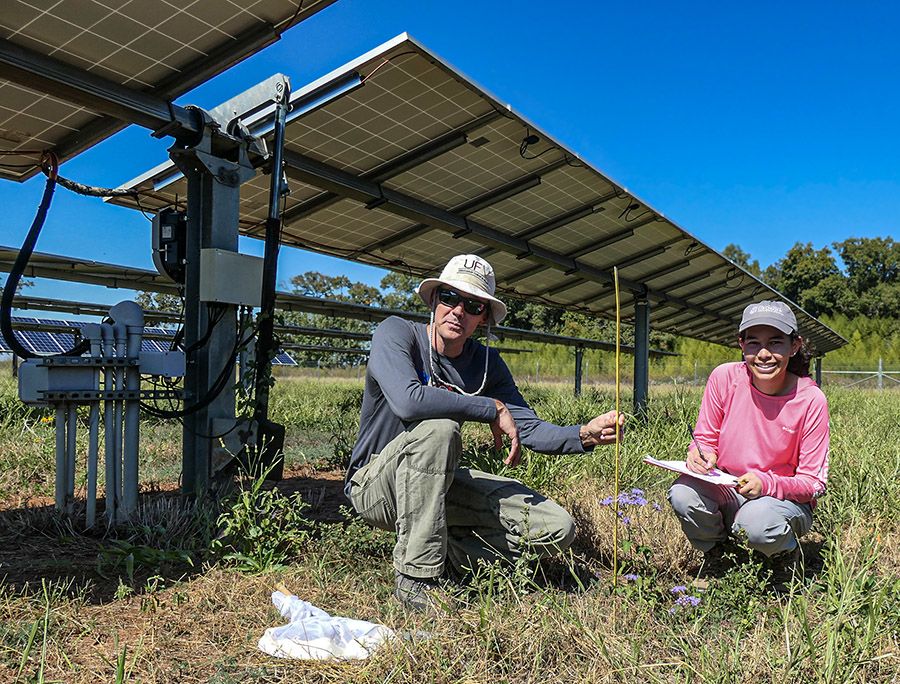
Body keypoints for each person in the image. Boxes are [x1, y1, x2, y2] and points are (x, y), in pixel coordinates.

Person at [345, 254, 624, 610]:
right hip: (375, 486)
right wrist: (489, 407)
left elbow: (529, 427)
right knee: (440, 431)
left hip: (436, 483)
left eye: (473, 305)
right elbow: (408, 402)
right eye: (449, 298)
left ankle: (449, 559)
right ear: (434, 299)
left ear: (484, 318)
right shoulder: (398, 334)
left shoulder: (485, 365)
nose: (458, 310)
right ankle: (415, 579)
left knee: (557, 527)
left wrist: (583, 434)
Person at [667, 300, 829, 586]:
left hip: (781, 501)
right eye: (753, 343)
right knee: (683, 493)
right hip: (728, 487)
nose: (764, 354)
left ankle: (784, 556)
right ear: (741, 344)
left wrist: (766, 484)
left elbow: (813, 483)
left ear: (794, 346)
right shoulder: (724, 377)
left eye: (776, 342)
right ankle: (718, 555)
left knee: (757, 521)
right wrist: (700, 453)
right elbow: (705, 437)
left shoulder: (810, 400)